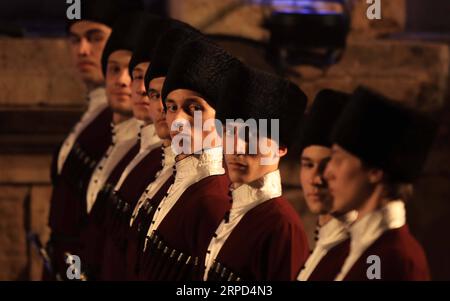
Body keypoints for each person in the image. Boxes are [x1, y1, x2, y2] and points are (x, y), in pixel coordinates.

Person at [138, 39, 240, 281]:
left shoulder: (215, 200)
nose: (178, 120)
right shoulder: (176, 181)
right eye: (172, 107)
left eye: (194, 108)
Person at [203, 64, 310, 281]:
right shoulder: (227, 207)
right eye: (229, 133)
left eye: (251, 137)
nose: (238, 148)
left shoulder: (282, 227)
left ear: (281, 147)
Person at [324, 86, 437, 281]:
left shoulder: (395, 257)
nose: (327, 173)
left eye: (338, 159)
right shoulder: (367, 247)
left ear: (375, 172)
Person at [46, 0, 123, 280]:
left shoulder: (121, 121)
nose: (83, 50)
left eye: (95, 38)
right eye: (75, 40)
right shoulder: (93, 113)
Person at [125, 24, 202, 280]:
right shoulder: (159, 164)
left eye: (190, 108)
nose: (157, 107)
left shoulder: (209, 192)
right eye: (168, 103)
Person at [296, 89, 357, 281]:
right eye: (308, 165)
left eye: (327, 166)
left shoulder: (362, 253)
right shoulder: (322, 243)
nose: (316, 179)